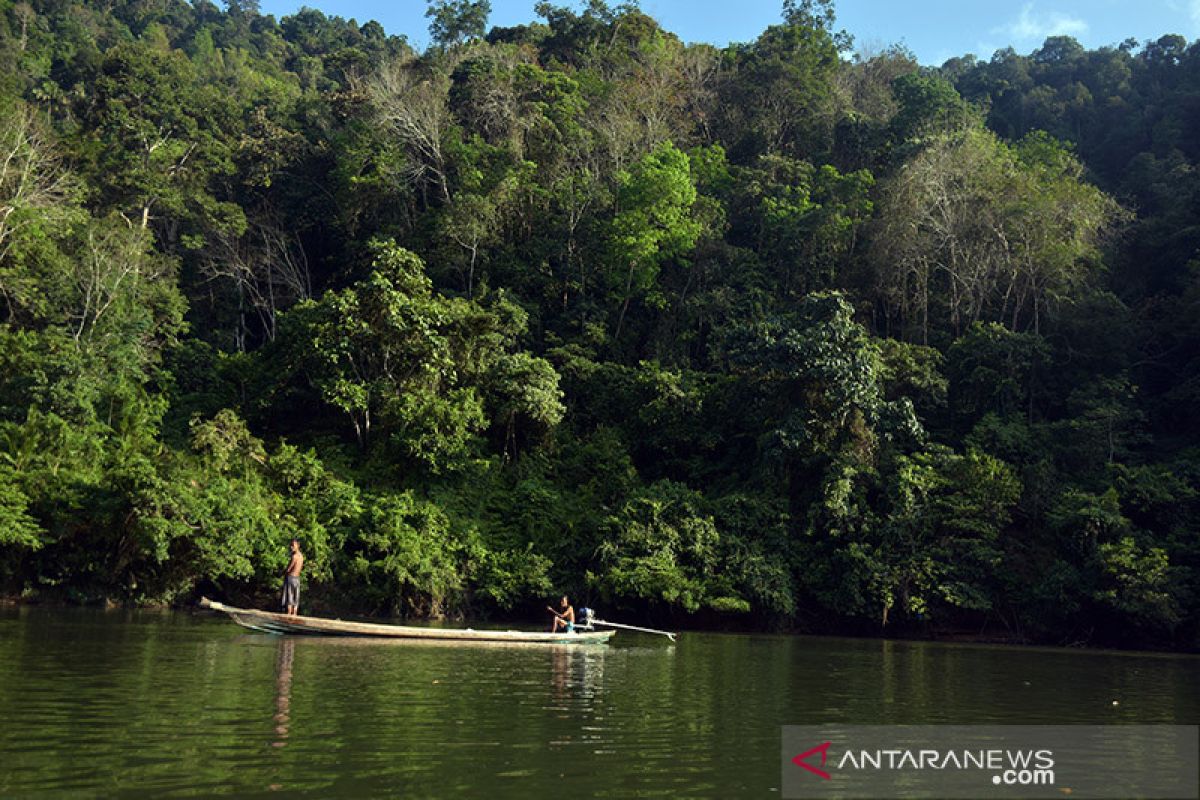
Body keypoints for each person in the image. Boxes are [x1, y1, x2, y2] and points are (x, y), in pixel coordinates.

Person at [281, 539, 304, 616]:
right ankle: (294, 613)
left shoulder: (295, 556)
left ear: (298, 546)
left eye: (293, 546)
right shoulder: (301, 556)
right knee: (296, 596)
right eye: (291, 545)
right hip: (297, 578)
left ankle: (289, 613)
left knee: (290, 596)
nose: (291, 547)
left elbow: (290, 568)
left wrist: (284, 572)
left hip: (291, 577)